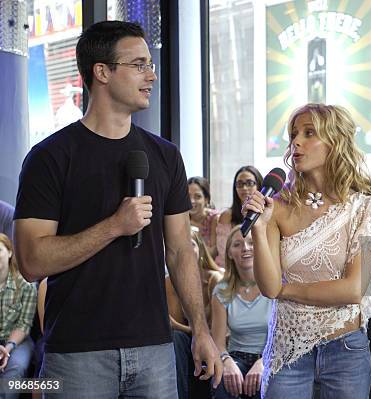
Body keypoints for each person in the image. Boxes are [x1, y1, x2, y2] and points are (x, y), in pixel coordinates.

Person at [13, 21, 221, 398]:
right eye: (139, 64)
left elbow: (179, 251)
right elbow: (30, 261)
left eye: (150, 64)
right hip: (77, 353)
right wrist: (114, 226)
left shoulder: (165, 156)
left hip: (155, 349)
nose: (152, 74)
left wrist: (202, 330)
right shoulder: (50, 158)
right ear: (102, 72)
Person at [243, 103, 371, 398]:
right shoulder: (277, 207)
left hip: (345, 348)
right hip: (286, 348)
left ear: (335, 142)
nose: (296, 142)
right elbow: (268, 287)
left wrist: (287, 290)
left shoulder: (363, 206)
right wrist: (258, 227)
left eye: (309, 133)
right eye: (294, 134)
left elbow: (354, 289)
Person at [210, 226, 272, 399]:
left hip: (269, 356)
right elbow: (218, 343)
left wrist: (264, 362)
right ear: (229, 252)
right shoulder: (221, 291)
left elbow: (283, 337)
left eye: (252, 242)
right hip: (236, 357)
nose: (246, 248)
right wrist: (227, 362)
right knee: (222, 380)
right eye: (238, 244)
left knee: (268, 384)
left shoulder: (274, 287)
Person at [167, 229, 223, 399]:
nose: (189, 252)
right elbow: (172, 323)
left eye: (192, 246)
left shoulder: (214, 279)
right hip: (186, 338)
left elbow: (217, 326)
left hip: (216, 338)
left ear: (200, 250)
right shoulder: (168, 282)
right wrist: (196, 333)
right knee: (175, 338)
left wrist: (202, 334)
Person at [0, 233, 37, 399]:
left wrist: (7, 349)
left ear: (9, 252)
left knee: (16, 367)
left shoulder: (26, 285)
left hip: (17, 340)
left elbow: (24, 324)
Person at [210, 166, 262, 268]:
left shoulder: (268, 214)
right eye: (239, 184)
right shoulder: (226, 216)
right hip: (228, 270)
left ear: (259, 185)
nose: (244, 188)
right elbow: (223, 251)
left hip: (260, 270)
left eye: (250, 183)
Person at [188, 177, 218, 254]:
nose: (192, 201)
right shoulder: (181, 219)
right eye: (188, 196)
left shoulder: (214, 218)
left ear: (206, 199)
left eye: (197, 196)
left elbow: (213, 251)